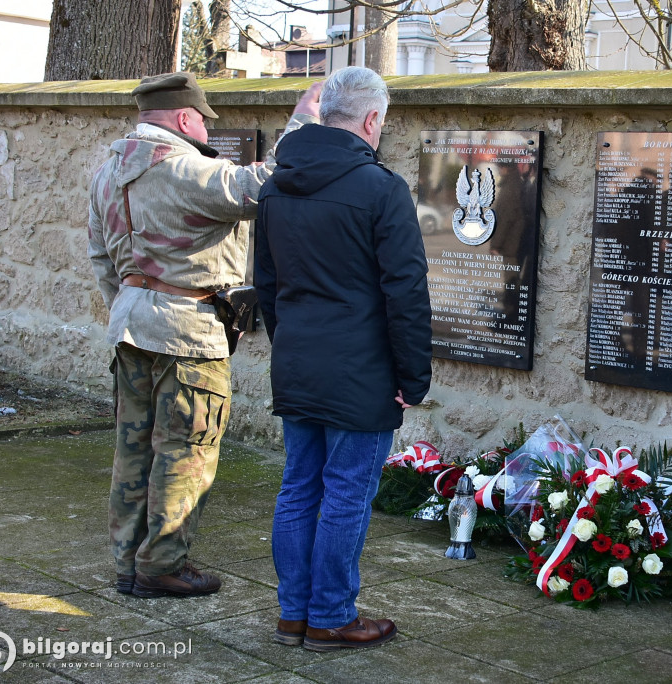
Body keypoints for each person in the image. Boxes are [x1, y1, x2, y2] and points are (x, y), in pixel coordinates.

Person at [88, 72, 322, 599]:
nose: (203, 131)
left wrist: (129, 306)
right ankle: (163, 565)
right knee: (186, 449)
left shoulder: (107, 173)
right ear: (185, 118)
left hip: (130, 325)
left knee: (134, 448)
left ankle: (129, 562)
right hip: (188, 334)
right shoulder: (186, 169)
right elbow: (270, 182)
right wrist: (304, 119)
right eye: (201, 121)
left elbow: (101, 257)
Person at [255, 66, 432, 651]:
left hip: (300, 359)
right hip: (361, 368)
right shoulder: (380, 189)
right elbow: (404, 291)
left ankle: (293, 615)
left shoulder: (278, 183)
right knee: (346, 492)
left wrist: (291, 346)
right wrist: (413, 375)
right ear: (372, 119)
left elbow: (267, 284)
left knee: (300, 485)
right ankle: (330, 615)